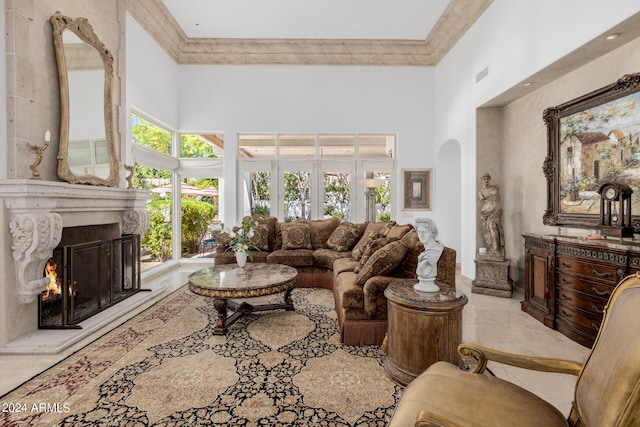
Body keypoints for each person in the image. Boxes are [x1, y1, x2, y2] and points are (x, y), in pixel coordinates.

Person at [414, 217, 444, 292]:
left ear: (432, 233)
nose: (421, 235)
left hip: (429, 284)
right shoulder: (425, 252)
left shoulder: (435, 252)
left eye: (424, 232)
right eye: (419, 232)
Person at [479, 173, 505, 258]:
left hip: (496, 210)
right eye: (484, 179)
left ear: (489, 179)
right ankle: (492, 248)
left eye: (487, 179)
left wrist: (497, 208)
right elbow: (484, 200)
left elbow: (497, 199)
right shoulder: (480, 192)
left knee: (493, 228)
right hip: (486, 212)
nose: (486, 180)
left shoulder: (495, 187)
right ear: (481, 180)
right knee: (488, 230)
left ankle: (496, 249)